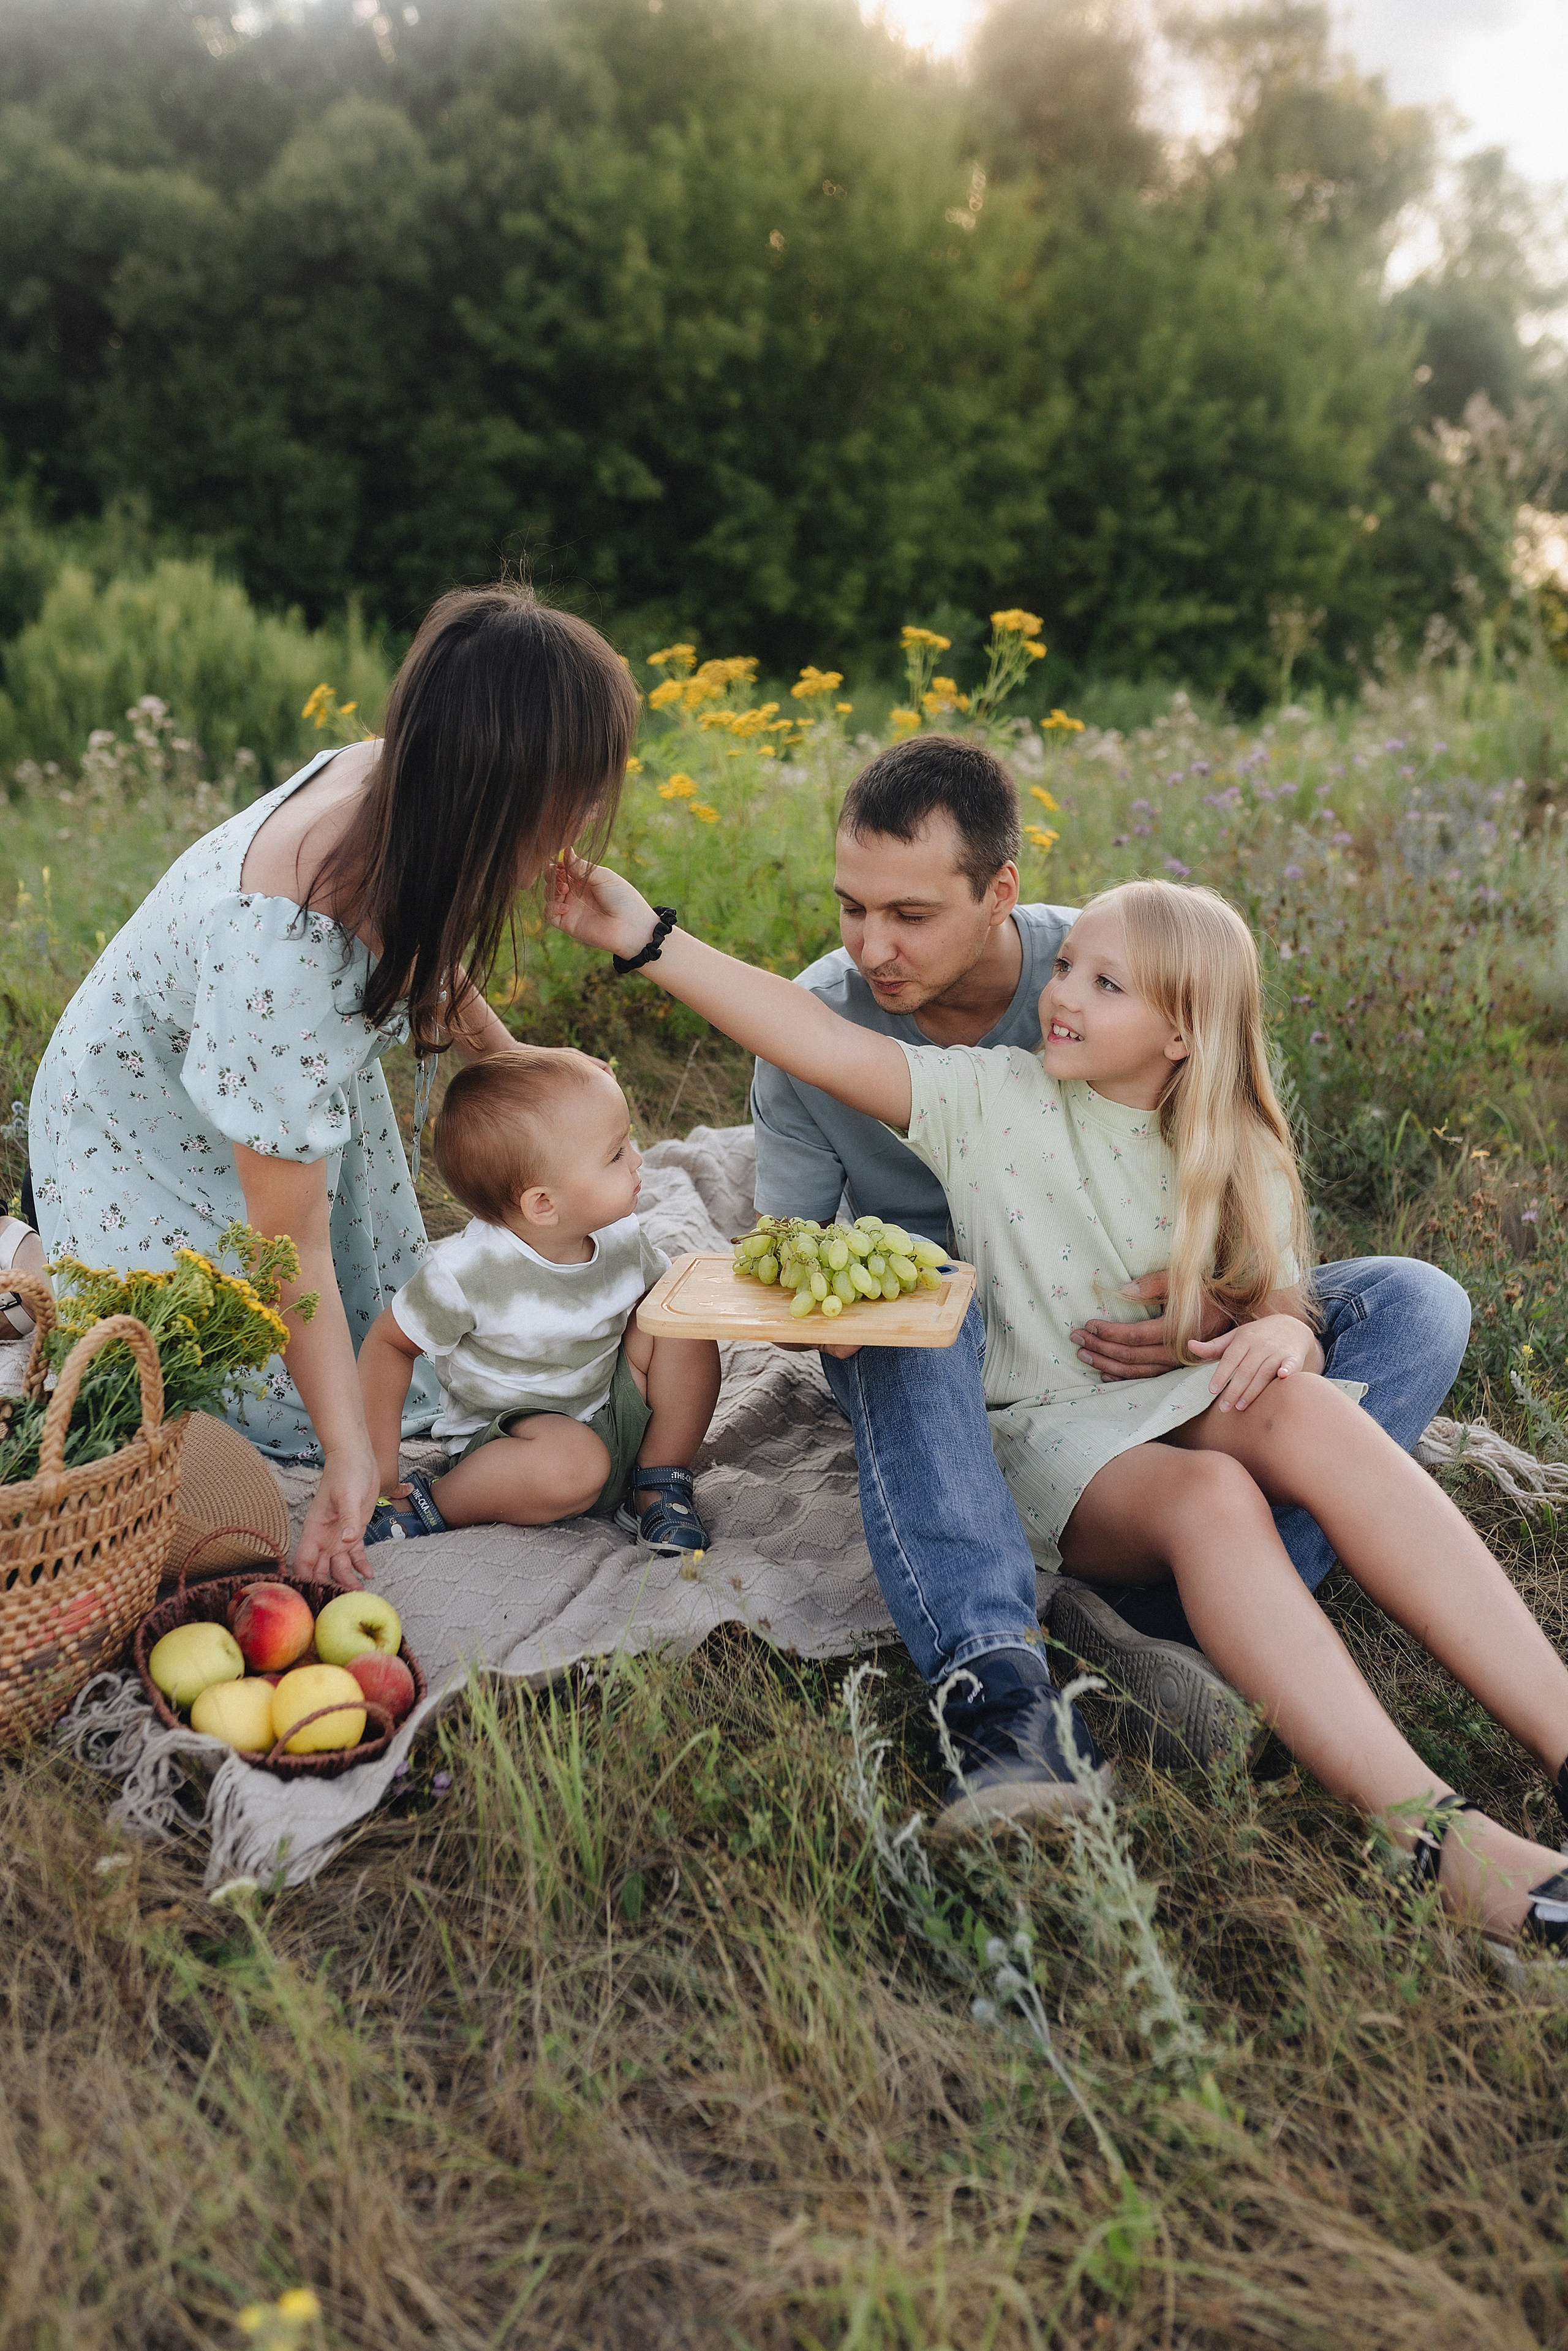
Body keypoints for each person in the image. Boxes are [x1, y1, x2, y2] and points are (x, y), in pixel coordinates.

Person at [551, 858, 1568, 1953]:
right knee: (1216, 1494)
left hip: (1178, 1391)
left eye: (1107, 983)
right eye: (1069, 964)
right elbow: (813, 1036)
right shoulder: (990, 1100)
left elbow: (1281, 1300)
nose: (1064, 992)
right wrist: (650, 938)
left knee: (1313, 1410)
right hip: (1050, 1433)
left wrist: (1283, 1327)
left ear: (1183, 1033)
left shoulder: (1236, 1141)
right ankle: (1427, 1832)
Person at [750, 733, 1471, 1770]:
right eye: (852, 907)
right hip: (963, 1343)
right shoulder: (812, 1027)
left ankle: (1176, 1622)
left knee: (1417, 1299)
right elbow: (794, 1249)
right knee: (927, 1307)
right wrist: (854, 1307)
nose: (871, 947)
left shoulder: (1095, 970)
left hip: (1121, 1308)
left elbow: (1226, 1144)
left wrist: (1238, 1307)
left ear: (1000, 891)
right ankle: (1001, 1664)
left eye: (910, 914)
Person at [27, 584, 638, 1586]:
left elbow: (432, 929)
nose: (585, 823)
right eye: (576, 801)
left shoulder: (408, 788)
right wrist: (357, 1458)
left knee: (375, 1341)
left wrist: (528, 1080)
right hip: (145, 1130)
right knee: (263, 1407)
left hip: (261, 1084)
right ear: (500, 799)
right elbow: (285, 1242)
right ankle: (35, 1254)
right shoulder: (288, 952)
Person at [356, 1049, 720, 1553]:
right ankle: (433, 1504)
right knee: (572, 1463)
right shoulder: (467, 1274)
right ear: (543, 1204)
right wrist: (378, 1471)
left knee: (683, 1318)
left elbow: (660, 1311)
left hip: (610, 1407)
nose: (637, 1159)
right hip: (517, 1447)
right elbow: (389, 1345)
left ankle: (657, 1484)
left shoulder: (619, 1237)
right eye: (616, 1154)